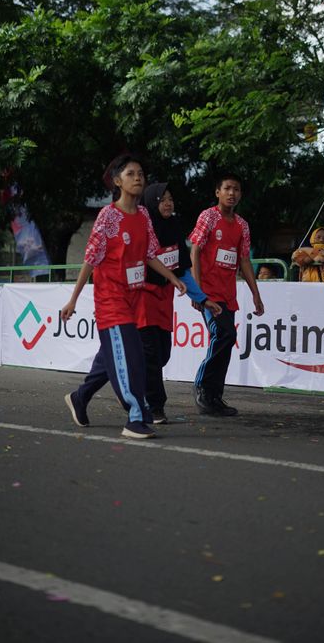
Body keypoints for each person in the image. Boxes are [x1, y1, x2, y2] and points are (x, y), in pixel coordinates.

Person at [61, 155, 186, 440]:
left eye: (141, 173)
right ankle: (135, 417)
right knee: (131, 360)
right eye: (131, 174)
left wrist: (172, 278)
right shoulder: (108, 216)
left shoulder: (143, 215)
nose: (138, 177)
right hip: (111, 300)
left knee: (119, 357)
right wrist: (73, 299)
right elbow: (91, 259)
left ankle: (80, 397)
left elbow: (150, 254)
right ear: (118, 181)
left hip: (134, 299)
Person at [137, 183, 222, 424]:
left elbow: (182, 269)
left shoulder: (174, 225)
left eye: (170, 199)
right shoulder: (143, 228)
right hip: (143, 297)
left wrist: (203, 299)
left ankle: (138, 385)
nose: (168, 203)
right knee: (151, 355)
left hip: (165, 298)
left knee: (162, 355)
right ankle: (155, 406)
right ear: (151, 202)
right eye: (162, 199)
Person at [189, 173, 265, 416]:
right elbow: (195, 251)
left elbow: (244, 260)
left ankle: (214, 396)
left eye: (236, 189)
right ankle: (201, 386)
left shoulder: (242, 225)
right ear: (218, 192)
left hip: (228, 295)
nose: (232, 193)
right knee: (223, 334)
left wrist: (256, 294)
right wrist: (197, 291)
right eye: (227, 188)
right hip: (209, 293)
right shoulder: (209, 216)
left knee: (227, 340)